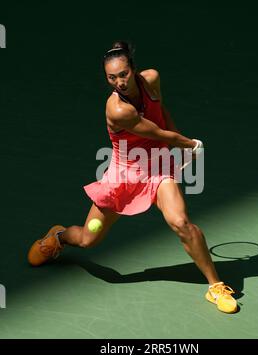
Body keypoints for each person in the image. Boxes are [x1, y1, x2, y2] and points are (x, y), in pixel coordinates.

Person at [28, 41, 237, 314]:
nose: (119, 83)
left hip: (158, 170)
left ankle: (215, 286)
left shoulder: (151, 80)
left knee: (181, 222)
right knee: (87, 240)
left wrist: (180, 149)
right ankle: (59, 236)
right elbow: (160, 134)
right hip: (125, 174)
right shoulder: (118, 109)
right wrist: (189, 144)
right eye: (111, 78)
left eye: (123, 74)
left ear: (134, 69)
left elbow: (162, 115)